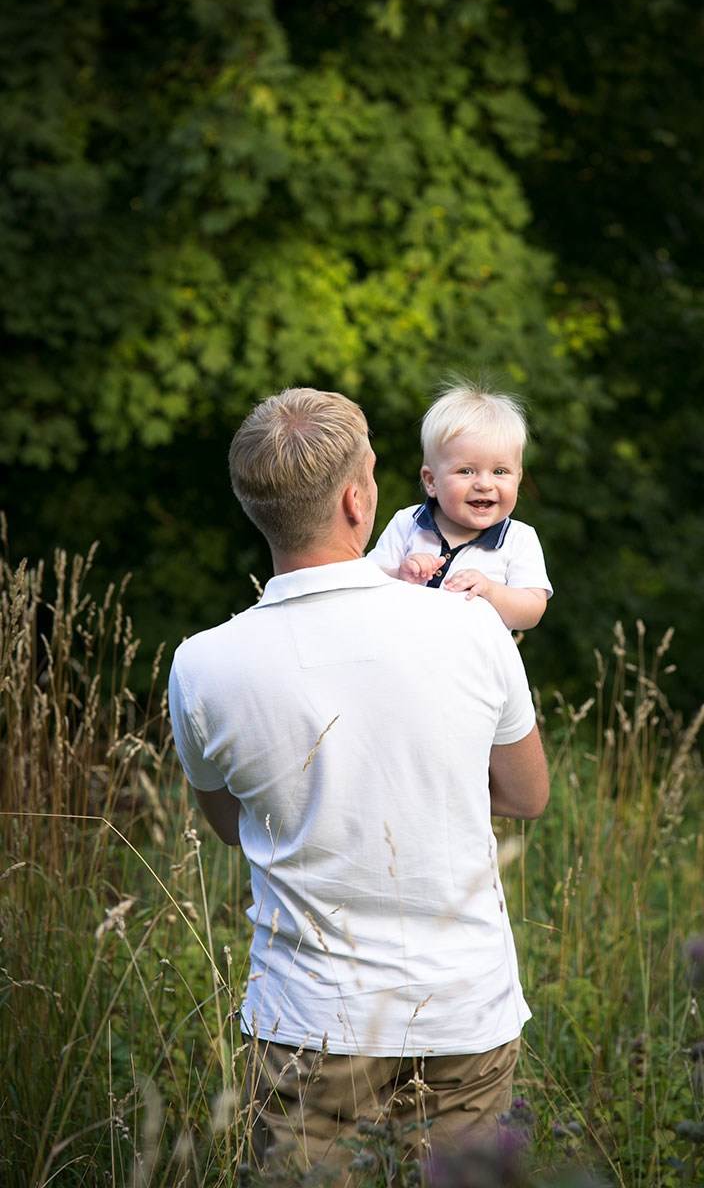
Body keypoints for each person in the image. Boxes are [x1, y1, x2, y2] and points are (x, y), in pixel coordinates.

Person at [168, 387, 550, 1175]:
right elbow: (526, 796)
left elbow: (232, 822)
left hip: (308, 1024)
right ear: (357, 497)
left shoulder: (202, 663)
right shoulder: (471, 625)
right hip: (462, 1010)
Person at [367, 380, 552, 632]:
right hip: (407, 661)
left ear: (518, 478)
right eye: (466, 471)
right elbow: (368, 589)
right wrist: (402, 577)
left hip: (474, 669)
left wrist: (491, 590)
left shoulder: (518, 539)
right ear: (431, 481)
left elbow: (531, 610)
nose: (485, 484)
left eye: (500, 471)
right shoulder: (408, 523)